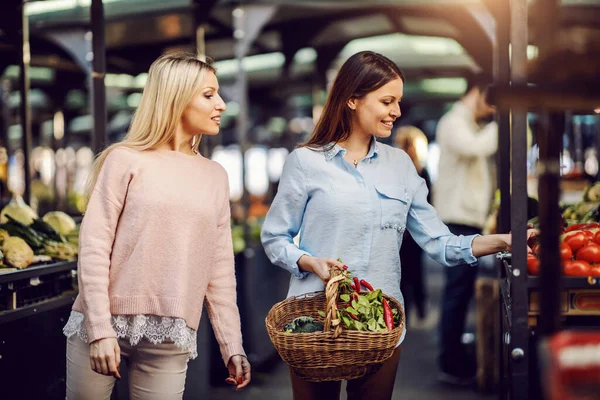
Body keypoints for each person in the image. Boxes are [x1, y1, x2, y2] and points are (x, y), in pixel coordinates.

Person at [261, 51, 534, 400]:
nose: (397, 112)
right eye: (387, 101)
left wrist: (504, 242)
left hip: (381, 324)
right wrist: (307, 261)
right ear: (352, 100)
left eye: (398, 101)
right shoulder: (305, 162)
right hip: (317, 320)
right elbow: (274, 238)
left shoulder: (401, 165)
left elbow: (440, 243)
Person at [62, 52, 251, 399]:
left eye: (218, 93)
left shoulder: (215, 176)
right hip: (102, 325)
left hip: (170, 336)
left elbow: (220, 269)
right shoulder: (124, 160)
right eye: (208, 94)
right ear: (175, 98)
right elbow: (93, 247)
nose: (222, 104)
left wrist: (233, 345)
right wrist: (100, 330)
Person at [432, 74, 498, 386]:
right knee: (456, 292)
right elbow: (475, 148)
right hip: (458, 220)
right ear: (477, 91)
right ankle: (451, 361)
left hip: (467, 220)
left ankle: (455, 356)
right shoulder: (453, 122)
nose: (493, 109)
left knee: (459, 291)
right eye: (492, 99)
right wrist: (508, 121)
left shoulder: (469, 123)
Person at [394, 126, 431, 324]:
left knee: (408, 273)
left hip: (408, 229)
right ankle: (416, 308)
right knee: (412, 272)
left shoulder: (411, 171)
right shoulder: (419, 170)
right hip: (409, 229)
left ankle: (411, 309)